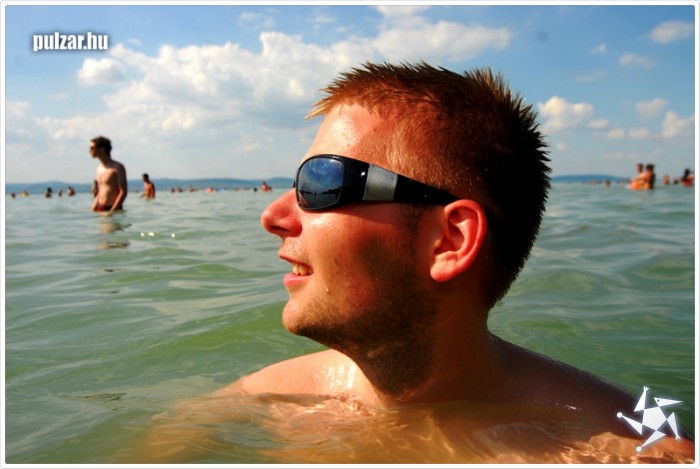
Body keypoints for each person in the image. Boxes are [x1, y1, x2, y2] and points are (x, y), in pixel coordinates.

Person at [143, 63, 693, 463]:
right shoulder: (263, 399)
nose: (273, 215)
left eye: (321, 182)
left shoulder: (640, 447)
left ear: (450, 240)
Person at [89, 136, 127, 213]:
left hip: (112, 209)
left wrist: (112, 212)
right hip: (100, 208)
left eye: (92, 148)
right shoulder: (99, 168)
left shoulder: (117, 167)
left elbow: (123, 192)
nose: (90, 151)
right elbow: (100, 191)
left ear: (102, 149)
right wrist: (93, 209)